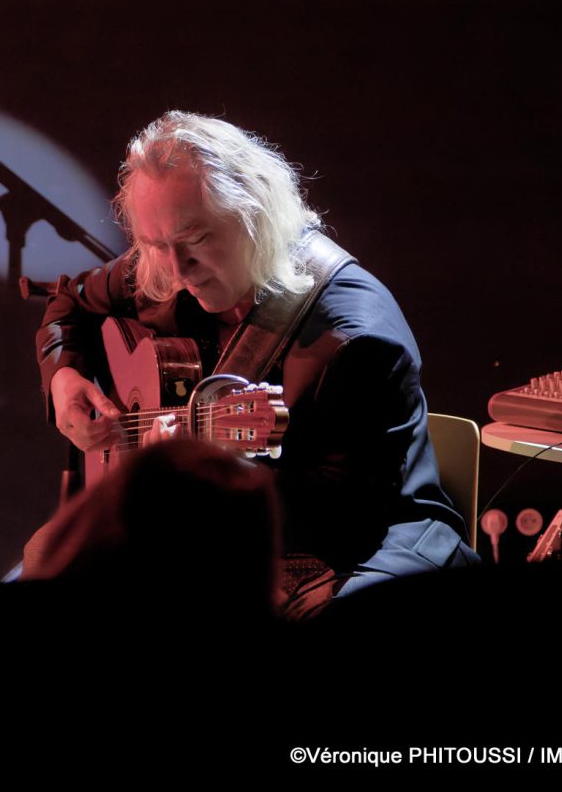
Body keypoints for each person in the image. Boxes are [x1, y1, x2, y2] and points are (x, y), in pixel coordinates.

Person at [35, 111, 477, 614]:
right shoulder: (165, 265)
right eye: (157, 246)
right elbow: (68, 303)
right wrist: (63, 377)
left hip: (355, 544)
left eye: (198, 240)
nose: (178, 269)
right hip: (213, 528)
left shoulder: (354, 339)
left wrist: (197, 477)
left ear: (255, 215)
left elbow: (343, 514)